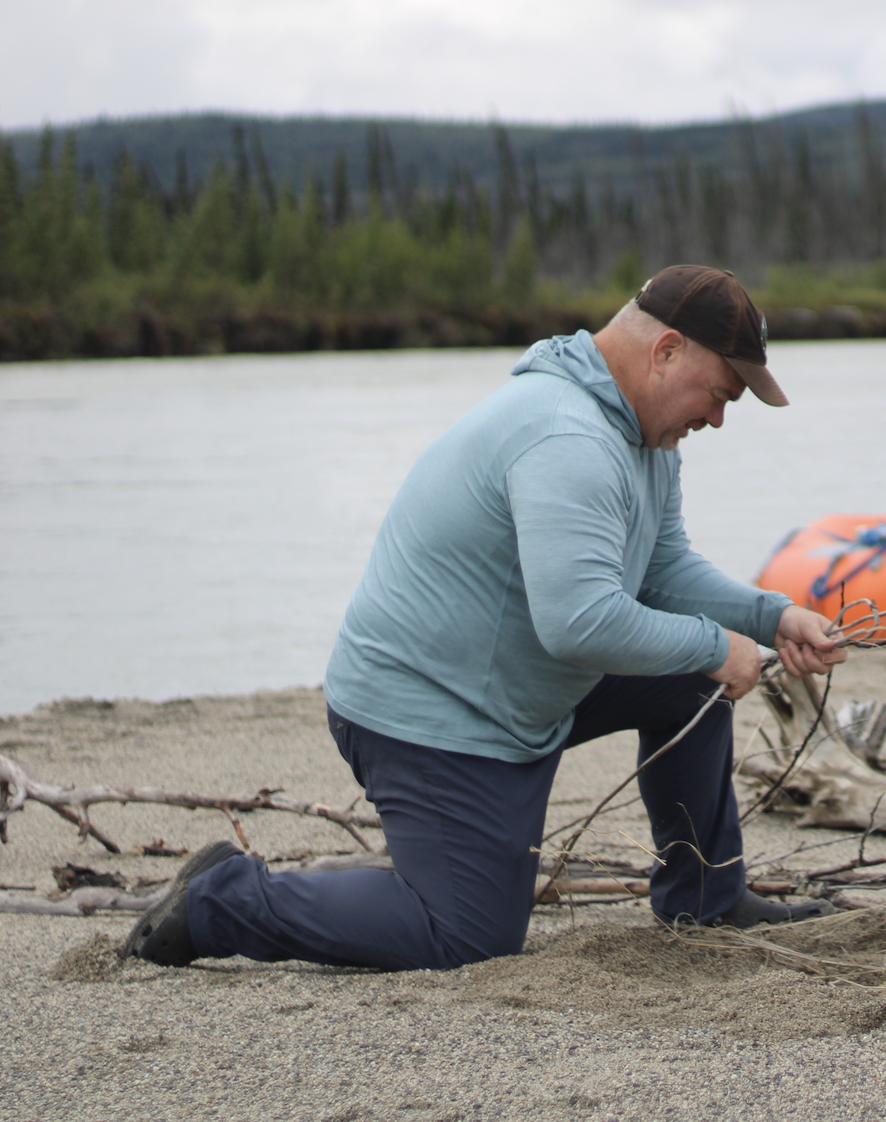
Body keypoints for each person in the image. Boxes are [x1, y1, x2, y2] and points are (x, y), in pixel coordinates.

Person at [122, 265, 844, 971]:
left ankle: (704, 903)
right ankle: (223, 898)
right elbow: (579, 624)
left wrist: (769, 616)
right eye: (719, 394)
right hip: (428, 713)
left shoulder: (643, 436)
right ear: (665, 351)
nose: (717, 418)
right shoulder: (568, 438)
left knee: (694, 673)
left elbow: (662, 571)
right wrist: (715, 643)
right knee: (464, 935)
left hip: (510, 688)